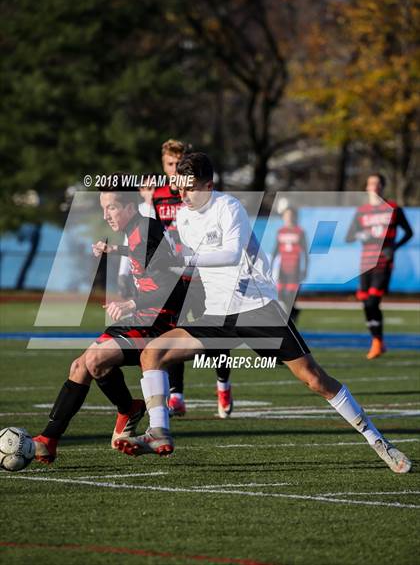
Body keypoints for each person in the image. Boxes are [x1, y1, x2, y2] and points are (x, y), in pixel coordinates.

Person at [114, 153, 412, 475]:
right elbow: (189, 264)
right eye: (180, 189)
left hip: (255, 309)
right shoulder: (184, 218)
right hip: (217, 314)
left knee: (314, 379)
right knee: (152, 354)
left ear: (209, 186)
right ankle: (160, 432)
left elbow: (230, 253)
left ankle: (378, 441)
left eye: (190, 189)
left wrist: (187, 259)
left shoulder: (229, 207)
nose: (183, 196)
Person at [33, 184, 185, 463]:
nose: (106, 215)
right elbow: (147, 257)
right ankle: (50, 439)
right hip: (143, 317)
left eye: (112, 207)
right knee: (84, 364)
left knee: (92, 360)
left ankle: (53, 437)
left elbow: (172, 286)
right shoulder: (138, 229)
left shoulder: (148, 230)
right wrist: (116, 249)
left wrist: (131, 303)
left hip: (158, 322)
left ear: (130, 207)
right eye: (103, 208)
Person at [119, 139, 233, 418]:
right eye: (169, 165)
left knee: (214, 333)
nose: (174, 171)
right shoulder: (156, 194)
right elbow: (149, 232)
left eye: (178, 165)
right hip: (173, 272)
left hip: (203, 269)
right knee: (172, 331)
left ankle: (223, 383)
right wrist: (146, 204)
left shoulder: (198, 194)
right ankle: (176, 395)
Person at [346, 173, 413, 359]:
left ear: (383, 186)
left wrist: (394, 247)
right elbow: (349, 236)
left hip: (383, 263)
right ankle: (378, 341)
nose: (374, 187)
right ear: (366, 188)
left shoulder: (393, 208)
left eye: (377, 183)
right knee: (366, 302)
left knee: (373, 301)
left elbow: (409, 232)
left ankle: (377, 342)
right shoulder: (362, 211)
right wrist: (362, 236)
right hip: (366, 262)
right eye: (370, 184)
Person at [272, 206, 308, 322]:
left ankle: (292, 315)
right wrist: (271, 267)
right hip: (283, 269)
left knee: (291, 297)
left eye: (290, 215)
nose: (288, 218)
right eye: (286, 215)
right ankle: (292, 314)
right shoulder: (280, 231)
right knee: (281, 296)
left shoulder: (300, 232)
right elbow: (275, 251)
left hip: (295, 269)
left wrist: (304, 269)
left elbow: (305, 254)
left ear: (295, 217)